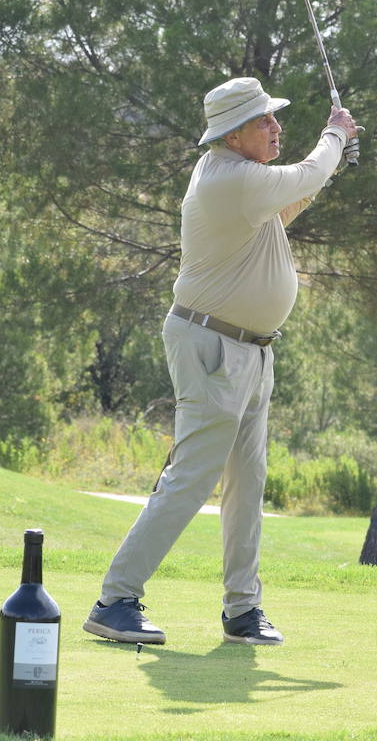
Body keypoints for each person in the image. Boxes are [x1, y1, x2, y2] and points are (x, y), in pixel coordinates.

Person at [83, 77, 358, 646]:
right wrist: (334, 136)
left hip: (251, 350)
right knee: (192, 477)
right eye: (266, 121)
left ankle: (242, 610)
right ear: (234, 135)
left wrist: (331, 166)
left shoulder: (242, 181)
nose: (277, 128)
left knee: (247, 483)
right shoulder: (228, 177)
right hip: (212, 346)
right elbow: (303, 176)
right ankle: (115, 599)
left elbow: (290, 201)